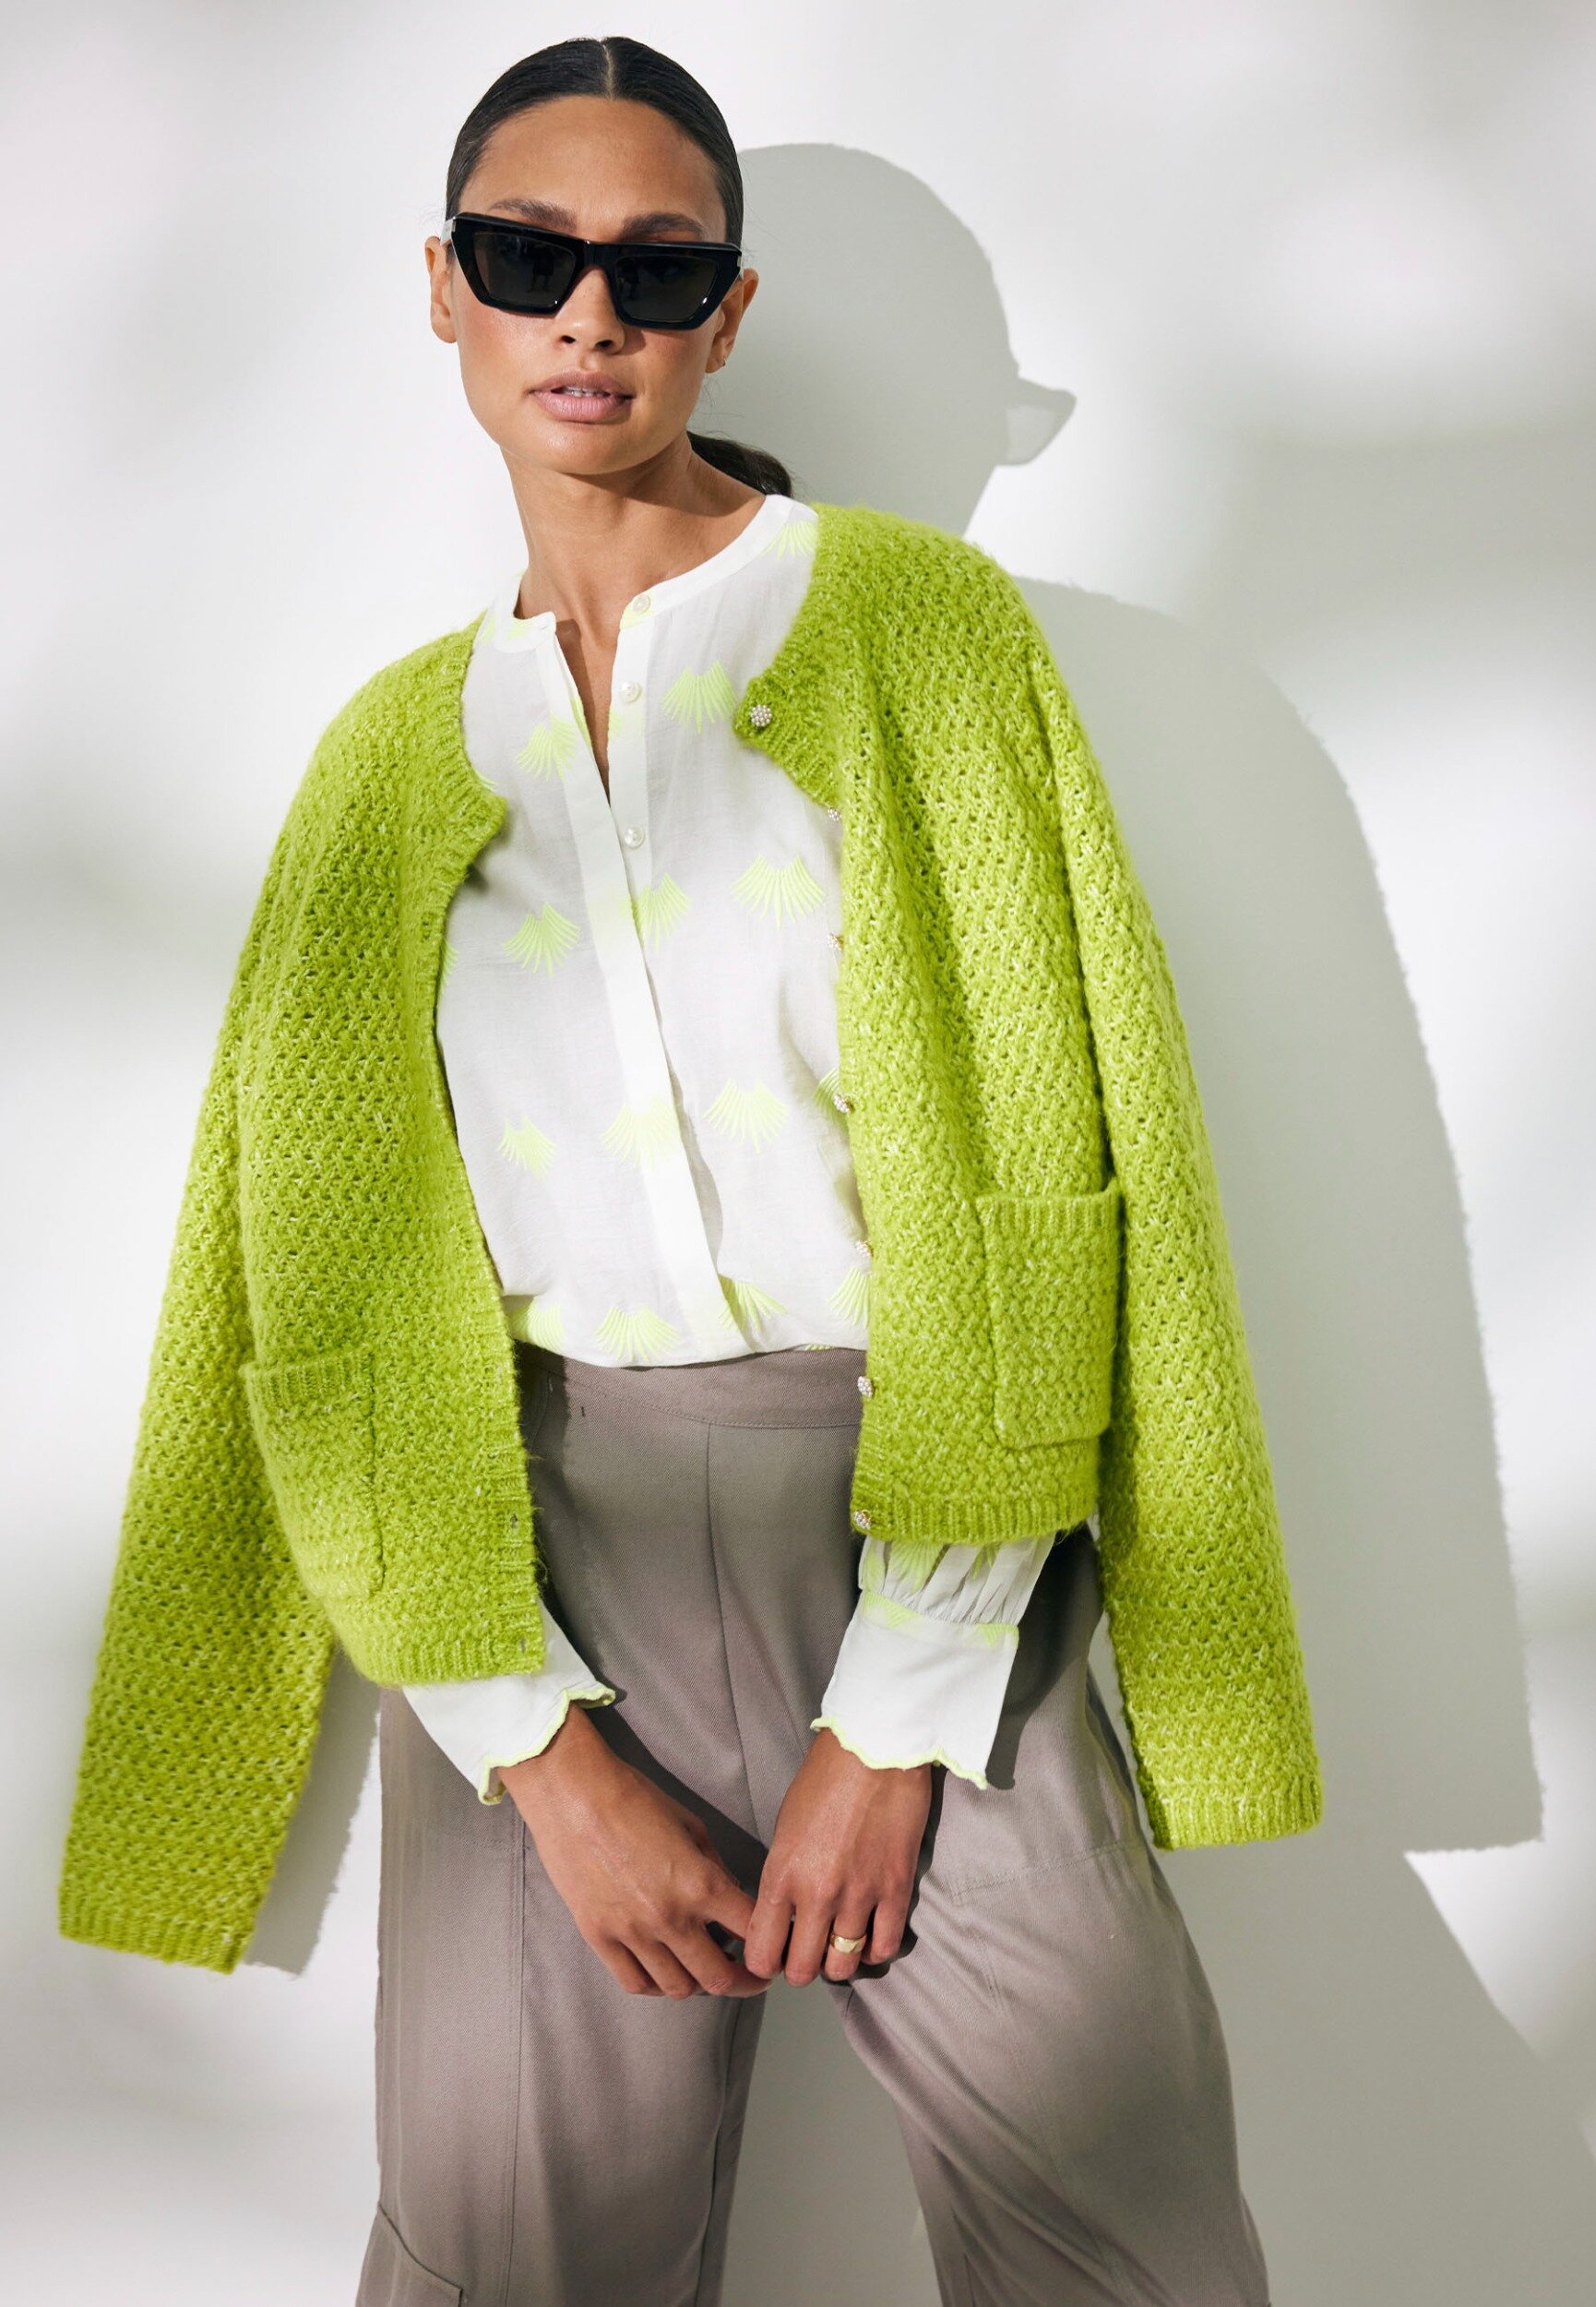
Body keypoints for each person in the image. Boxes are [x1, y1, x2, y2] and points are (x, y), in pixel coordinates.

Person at [56, 34, 1323, 2307]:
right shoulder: (384, 760)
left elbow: (1054, 1153)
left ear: (727, 315)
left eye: (657, 269)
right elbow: (304, 1285)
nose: (589, 315)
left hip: (935, 1521)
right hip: (534, 1563)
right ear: (442, 287)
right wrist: (533, 1747)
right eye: (527, 257)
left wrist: (903, 1705)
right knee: (509, 2266)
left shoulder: (921, 632)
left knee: (1126, 2247)